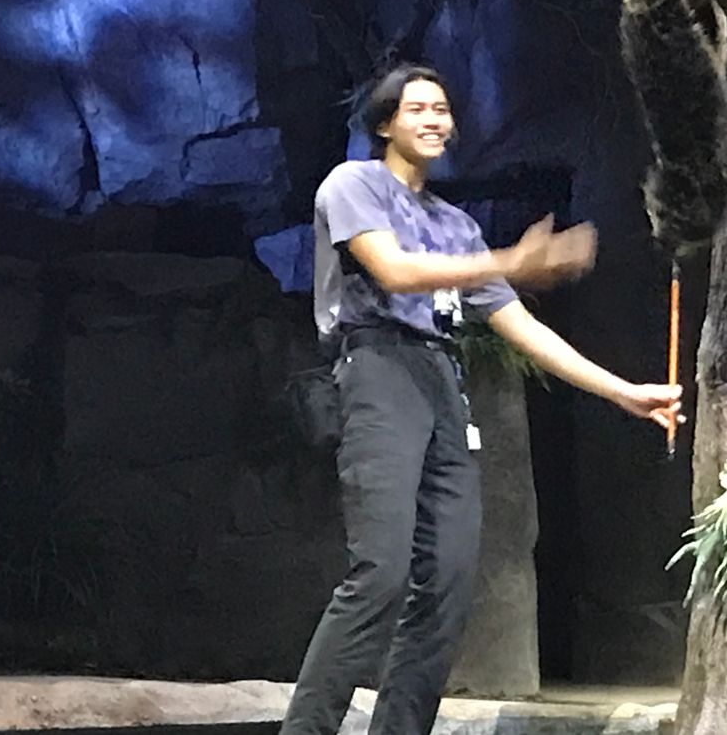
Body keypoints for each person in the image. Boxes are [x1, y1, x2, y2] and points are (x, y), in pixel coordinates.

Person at [280, 63, 682, 735]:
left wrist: (623, 392)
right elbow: (395, 271)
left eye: (442, 109)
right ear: (385, 123)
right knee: (381, 571)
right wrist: (510, 262)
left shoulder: (456, 226)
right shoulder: (354, 185)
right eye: (417, 109)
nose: (434, 119)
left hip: (442, 378)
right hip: (378, 366)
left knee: (449, 578)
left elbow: (521, 328)